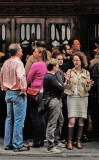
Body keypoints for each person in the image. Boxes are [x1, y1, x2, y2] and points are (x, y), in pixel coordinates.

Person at [0, 43, 29, 152]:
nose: (22, 51)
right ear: (17, 52)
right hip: (17, 93)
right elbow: (21, 76)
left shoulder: (6, 62)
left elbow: (1, 75)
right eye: (21, 49)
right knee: (18, 120)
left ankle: (7, 144)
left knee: (9, 119)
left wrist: (4, 87)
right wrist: (23, 89)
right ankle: (17, 144)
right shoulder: (19, 63)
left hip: (9, 93)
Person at [64, 53, 94, 150]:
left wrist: (88, 85)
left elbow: (87, 90)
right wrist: (67, 81)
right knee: (72, 120)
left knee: (81, 119)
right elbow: (66, 87)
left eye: (77, 60)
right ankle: (69, 141)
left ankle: (79, 140)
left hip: (83, 97)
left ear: (81, 61)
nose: (75, 62)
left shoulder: (86, 73)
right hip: (72, 97)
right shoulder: (69, 71)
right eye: (74, 60)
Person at [43, 58, 65, 153]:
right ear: (53, 67)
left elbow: (61, 87)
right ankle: (50, 146)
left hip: (55, 100)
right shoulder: (50, 77)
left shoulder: (51, 76)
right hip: (53, 101)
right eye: (57, 65)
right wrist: (61, 85)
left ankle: (55, 141)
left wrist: (61, 85)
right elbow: (61, 88)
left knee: (60, 120)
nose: (58, 66)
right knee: (52, 123)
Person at [27, 47, 47, 147]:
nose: (33, 53)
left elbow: (28, 78)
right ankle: (42, 138)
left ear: (39, 54)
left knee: (34, 116)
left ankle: (36, 141)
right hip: (43, 92)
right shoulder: (45, 64)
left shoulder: (36, 64)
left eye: (35, 52)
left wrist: (34, 77)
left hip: (35, 92)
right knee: (42, 116)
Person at [89, 37, 99, 137]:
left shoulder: (93, 61)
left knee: (94, 109)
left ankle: (95, 130)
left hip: (95, 85)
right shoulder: (93, 59)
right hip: (94, 85)